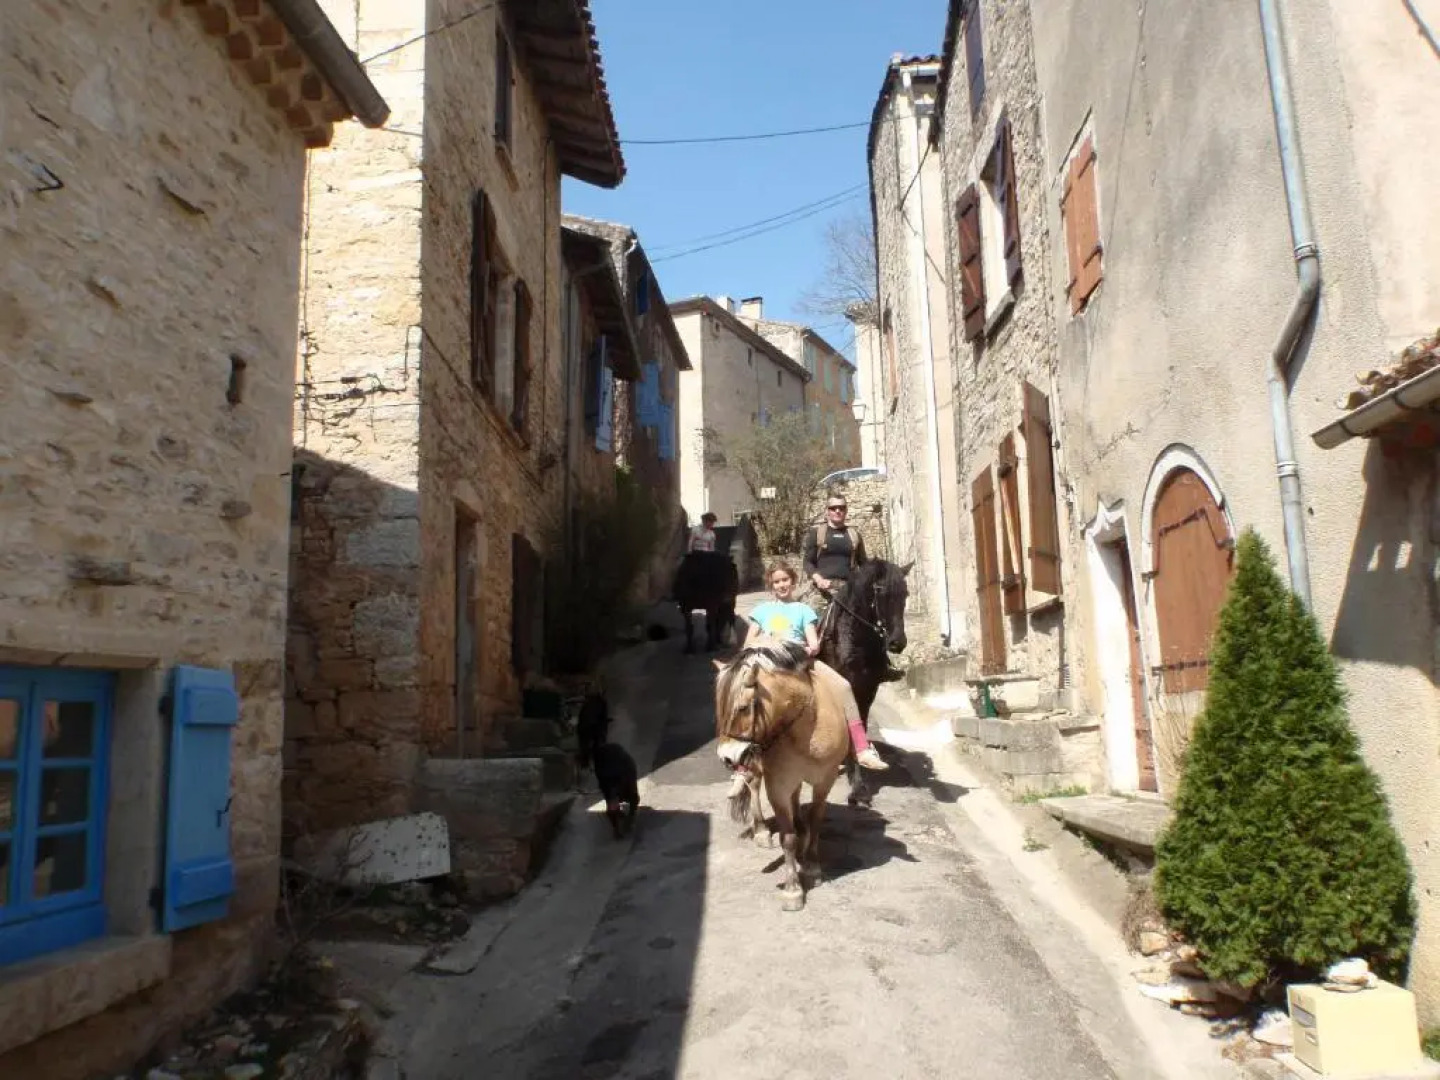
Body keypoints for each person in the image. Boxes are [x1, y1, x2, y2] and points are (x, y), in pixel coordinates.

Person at [744, 562, 888, 771]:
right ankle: (744, 765)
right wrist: (768, 641)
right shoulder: (763, 611)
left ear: (793, 582)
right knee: (744, 697)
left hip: (799, 660)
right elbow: (749, 642)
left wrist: (810, 648)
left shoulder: (803, 610)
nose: (781, 585)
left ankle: (860, 748)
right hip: (770, 663)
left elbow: (814, 643)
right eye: (776, 582)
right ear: (771, 585)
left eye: (785, 580)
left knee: (844, 687)